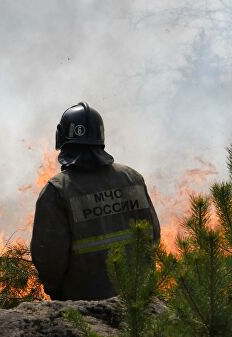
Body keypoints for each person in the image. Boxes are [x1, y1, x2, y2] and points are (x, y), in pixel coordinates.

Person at [30, 102, 161, 301]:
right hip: (140, 303)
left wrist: (55, 291)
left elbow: (49, 258)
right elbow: (154, 235)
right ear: (101, 138)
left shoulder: (57, 191)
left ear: (63, 139)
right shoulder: (132, 178)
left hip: (85, 309)